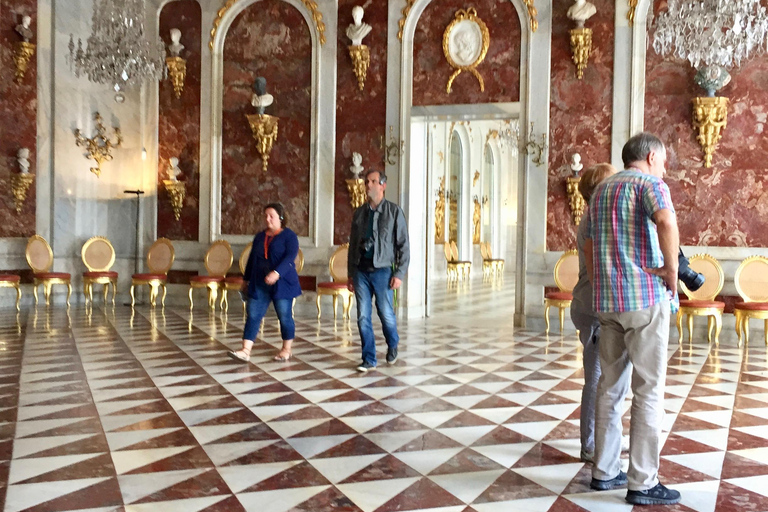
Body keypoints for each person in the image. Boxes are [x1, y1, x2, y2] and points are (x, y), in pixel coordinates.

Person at [585, 133, 681, 506]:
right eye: (664, 160)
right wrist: (671, 270)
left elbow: (590, 243)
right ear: (652, 156)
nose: (665, 167)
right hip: (643, 298)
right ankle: (643, 481)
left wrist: (599, 286)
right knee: (649, 388)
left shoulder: (602, 190)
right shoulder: (651, 184)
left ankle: (604, 470)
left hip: (608, 302)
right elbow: (666, 222)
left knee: (610, 387)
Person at [570, 163, 618, 463]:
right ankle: (590, 444)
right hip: (593, 305)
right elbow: (597, 267)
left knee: (602, 378)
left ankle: (599, 439)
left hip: (591, 303)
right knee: (597, 379)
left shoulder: (594, 216)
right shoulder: (593, 219)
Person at [348, 169, 409, 372]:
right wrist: (350, 273)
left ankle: (392, 343)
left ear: (383, 185)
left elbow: (403, 246)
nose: (368, 185)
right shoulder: (359, 213)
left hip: (383, 271)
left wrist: (399, 273)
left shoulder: (394, 212)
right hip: (361, 271)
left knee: (386, 314)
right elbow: (353, 245)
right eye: (367, 182)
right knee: (363, 316)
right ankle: (369, 359)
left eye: (373, 181)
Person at [227, 203, 301, 363]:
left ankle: (286, 349)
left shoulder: (290, 236)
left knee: (284, 316)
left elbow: (290, 258)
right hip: (259, 282)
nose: (267, 219)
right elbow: (252, 259)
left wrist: (277, 273)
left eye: (271, 216)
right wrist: (245, 280)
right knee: (253, 314)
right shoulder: (260, 237)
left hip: (283, 283)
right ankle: (246, 350)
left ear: (280, 218)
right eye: (265, 216)